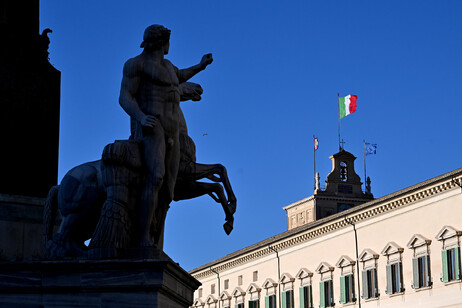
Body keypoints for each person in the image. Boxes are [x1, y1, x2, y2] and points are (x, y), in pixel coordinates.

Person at [119, 24, 213, 247]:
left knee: (169, 190)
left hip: (173, 131)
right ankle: (142, 238)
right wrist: (141, 118)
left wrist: (200, 66)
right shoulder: (136, 64)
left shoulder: (168, 66)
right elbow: (124, 97)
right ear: (162, 42)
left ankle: (155, 237)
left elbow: (179, 77)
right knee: (157, 178)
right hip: (153, 128)